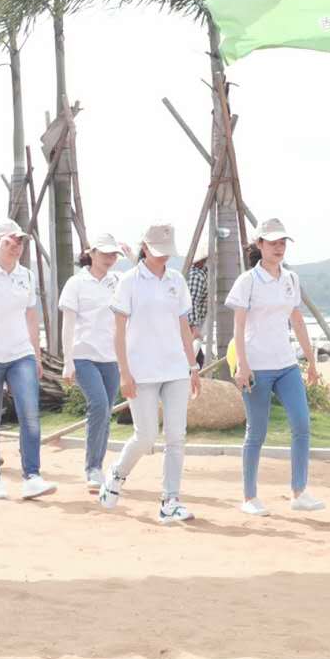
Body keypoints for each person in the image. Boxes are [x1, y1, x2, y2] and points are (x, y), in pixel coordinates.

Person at [98, 222, 201, 524]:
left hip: (176, 369)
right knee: (145, 437)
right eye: (158, 251)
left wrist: (193, 366)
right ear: (144, 247)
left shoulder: (177, 280)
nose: (164, 256)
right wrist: (124, 373)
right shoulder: (129, 281)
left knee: (176, 436)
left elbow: (184, 327)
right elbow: (118, 332)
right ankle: (117, 475)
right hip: (141, 370)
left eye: (167, 251)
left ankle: (170, 501)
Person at [227, 217, 324, 516]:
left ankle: (299, 492)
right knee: (257, 432)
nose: (279, 248)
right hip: (256, 366)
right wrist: (243, 366)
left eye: (282, 243)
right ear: (260, 245)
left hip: (286, 364)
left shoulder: (290, 279)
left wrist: (310, 360)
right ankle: (249, 497)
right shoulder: (248, 281)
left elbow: (297, 320)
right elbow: (238, 326)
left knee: (302, 424)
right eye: (273, 243)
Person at [0, 217, 57, 501]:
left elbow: (31, 315)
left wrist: (36, 355)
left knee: (30, 415)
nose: (16, 246)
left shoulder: (26, 275)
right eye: (10, 241)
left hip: (20, 354)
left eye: (20, 241)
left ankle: (32, 477)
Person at [60, 232, 127, 491]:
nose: (110, 258)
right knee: (98, 405)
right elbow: (68, 325)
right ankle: (93, 468)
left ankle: (98, 464)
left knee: (105, 410)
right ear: (92, 253)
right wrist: (68, 361)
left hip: (111, 358)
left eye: (114, 254)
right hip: (83, 355)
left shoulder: (118, 281)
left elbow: (140, 282)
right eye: (105, 253)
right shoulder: (76, 283)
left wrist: (132, 255)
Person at [185, 236, 209, 368]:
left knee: (196, 360)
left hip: (191, 326)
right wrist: (194, 328)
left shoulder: (200, 274)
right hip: (190, 327)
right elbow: (191, 302)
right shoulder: (197, 276)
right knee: (194, 361)